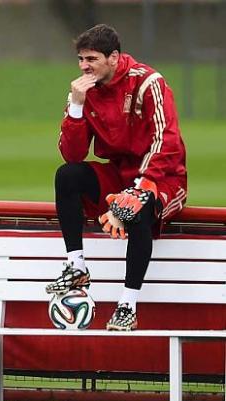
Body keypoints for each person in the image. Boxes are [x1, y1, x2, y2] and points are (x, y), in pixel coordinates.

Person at [45, 24, 187, 331]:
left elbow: (167, 140)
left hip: (165, 178)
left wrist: (143, 186)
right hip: (120, 174)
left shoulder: (149, 82)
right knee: (67, 176)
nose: (84, 66)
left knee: (136, 211)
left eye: (92, 59)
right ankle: (77, 267)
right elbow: (72, 154)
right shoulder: (85, 92)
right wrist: (77, 107)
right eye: (81, 59)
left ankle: (127, 305)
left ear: (114, 57)